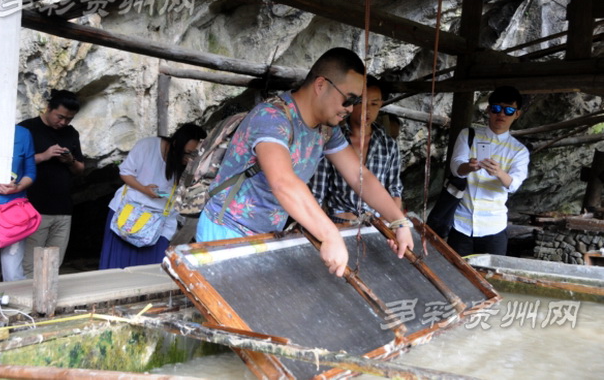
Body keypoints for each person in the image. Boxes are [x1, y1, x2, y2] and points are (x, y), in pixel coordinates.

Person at [196, 47, 414, 277]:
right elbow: (283, 182)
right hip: (226, 232)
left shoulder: (326, 130)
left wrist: (399, 221)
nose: (351, 109)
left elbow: (360, 176)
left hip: (268, 236)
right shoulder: (271, 117)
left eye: (356, 101)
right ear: (320, 85)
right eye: (348, 99)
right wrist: (330, 234)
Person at [99, 123, 207, 269]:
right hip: (128, 215)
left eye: (195, 154)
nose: (189, 158)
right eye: (188, 152)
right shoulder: (148, 145)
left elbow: (184, 195)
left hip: (160, 222)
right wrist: (144, 189)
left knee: (151, 270)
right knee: (117, 269)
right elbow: (125, 172)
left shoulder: (190, 165)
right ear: (176, 144)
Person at [447, 86, 530, 256]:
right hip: (461, 223)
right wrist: (468, 167)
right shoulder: (468, 135)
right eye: (496, 108)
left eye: (508, 110)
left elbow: (514, 184)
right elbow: (456, 167)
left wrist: (499, 173)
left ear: (517, 114)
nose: (501, 114)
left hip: (493, 226)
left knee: (489, 273)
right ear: (488, 110)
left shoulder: (519, 150)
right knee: (455, 271)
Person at [309, 75, 403, 223]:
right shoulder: (333, 141)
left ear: (381, 105)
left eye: (374, 103)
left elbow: (395, 190)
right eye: (361, 102)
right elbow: (317, 192)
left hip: (376, 223)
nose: (367, 110)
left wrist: (396, 224)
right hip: (339, 221)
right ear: (351, 102)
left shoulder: (388, 145)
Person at [19, 89, 84, 278]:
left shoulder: (71, 133)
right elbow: (14, 163)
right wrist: (43, 156)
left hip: (63, 209)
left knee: (54, 263)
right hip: (33, 208)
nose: (63, 122)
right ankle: (27, 297)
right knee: (30, 265)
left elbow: (80, 168)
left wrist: (70, 160)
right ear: (48, 108)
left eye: (69, 119)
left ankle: (48, 296)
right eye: (60, 117)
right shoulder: (27, 128)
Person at [0, 125, 37, 281]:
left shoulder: (22, 134)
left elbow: (30, 172)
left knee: (13, 271)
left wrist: (18, 187)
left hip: (13, 211)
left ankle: (13, 297)